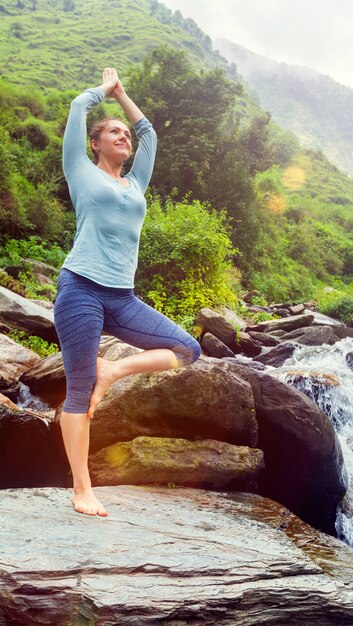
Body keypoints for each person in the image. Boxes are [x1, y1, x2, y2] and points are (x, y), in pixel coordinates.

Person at [54, 67, 201, 517]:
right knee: (78, 394)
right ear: (95, 144)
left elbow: (149, 133)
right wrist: (105, 90)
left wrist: (123, 97)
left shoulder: (135, 183)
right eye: (113, 133)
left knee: (187, 348)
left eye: (125, 134)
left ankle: (112, 372)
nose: (124, 136)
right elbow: (80, 107)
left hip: (121, 297)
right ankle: (82, 488)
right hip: (80, 288)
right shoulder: (79, 170)